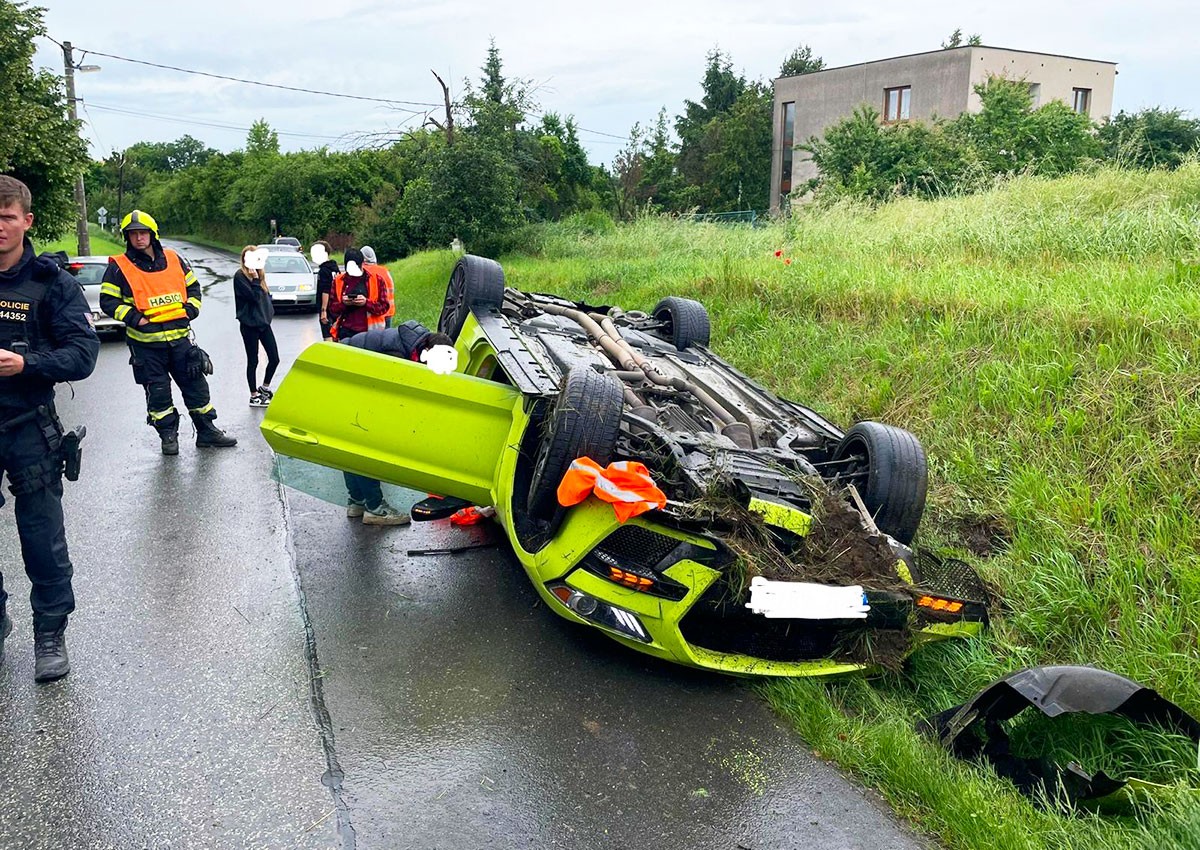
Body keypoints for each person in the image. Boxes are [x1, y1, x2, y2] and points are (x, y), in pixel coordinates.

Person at [0, 175, 100, 682]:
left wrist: (26, 364)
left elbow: (83, 354)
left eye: (7, 217)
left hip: (26, 424)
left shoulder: (51, 282)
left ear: (26, 221)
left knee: (41, 535)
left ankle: (49, 633)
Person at [100, 209, 237, 454]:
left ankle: (207, 432)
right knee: (158, 394)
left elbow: (193, 288)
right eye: (133, 234)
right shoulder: (118, 267)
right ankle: (168, 436)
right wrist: (135, 319)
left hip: (181, 341)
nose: (139, 238)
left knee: (197, 387)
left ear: (153, 234)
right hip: (146, 346)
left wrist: (190, 311)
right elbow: (108, 302)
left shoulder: (175, 259)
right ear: (127, 238)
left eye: (143, 233)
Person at [338, 322, 456, 525]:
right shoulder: (396, 354)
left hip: (342, 373)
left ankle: (357, 501)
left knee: (352, 446)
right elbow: (386, 395)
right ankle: (375, 508)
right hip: (345, 375)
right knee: (366, 445)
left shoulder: (412, 344)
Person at [233, 246, 280, 407]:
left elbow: (264, 299)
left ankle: (264, 388)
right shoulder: (240, 277)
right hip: (249, 325)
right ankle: (253, 395)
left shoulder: (260, 275)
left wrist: (270, 313)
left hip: (264, 323)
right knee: (253, 360)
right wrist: (254, 280)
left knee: (274, 358)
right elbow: (253, 298)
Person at [327, 247, 388, 341]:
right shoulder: (338, 281)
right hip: (345, 332)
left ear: (362, 264)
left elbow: (384, 307)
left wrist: (366, 303)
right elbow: (331, 309)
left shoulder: (376, 280)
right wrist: (344, 303)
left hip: (371, 334)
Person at [360, 245, 395, 324]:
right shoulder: (385, 271)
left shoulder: (363, 272)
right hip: (388, 312)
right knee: (387, 336)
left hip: (374, 315)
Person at [312, 241, 339, 340]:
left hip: (327, 308)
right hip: (336, 306)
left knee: (327, 336)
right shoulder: (334, 268)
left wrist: (323, 310)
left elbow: (325, 290)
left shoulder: (324, 271)